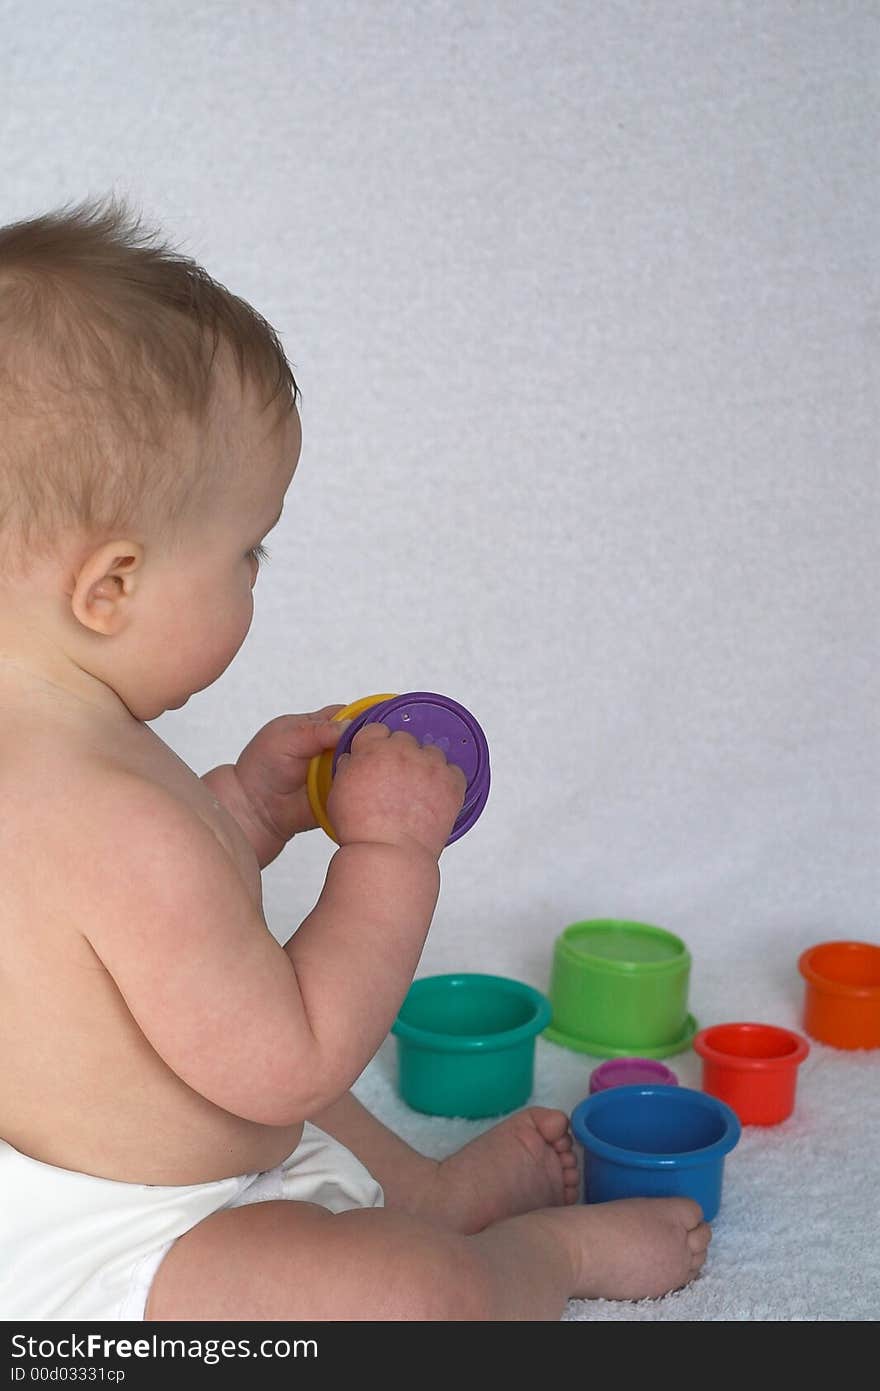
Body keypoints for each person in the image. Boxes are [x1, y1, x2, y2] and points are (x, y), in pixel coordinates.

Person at [0, 198, 711, 1321]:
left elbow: (126, 952)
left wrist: (241, 809)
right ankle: (543, 1259)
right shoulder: (113, 809)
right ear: (112, 587)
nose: (253, 579)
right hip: (129, 1243)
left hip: (48, 1171)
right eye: (247, 550)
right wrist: (389, 851)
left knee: (223, 1060)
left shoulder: (66, 757)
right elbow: (292, 1060)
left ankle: (419, 1185)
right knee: (407, 1299)